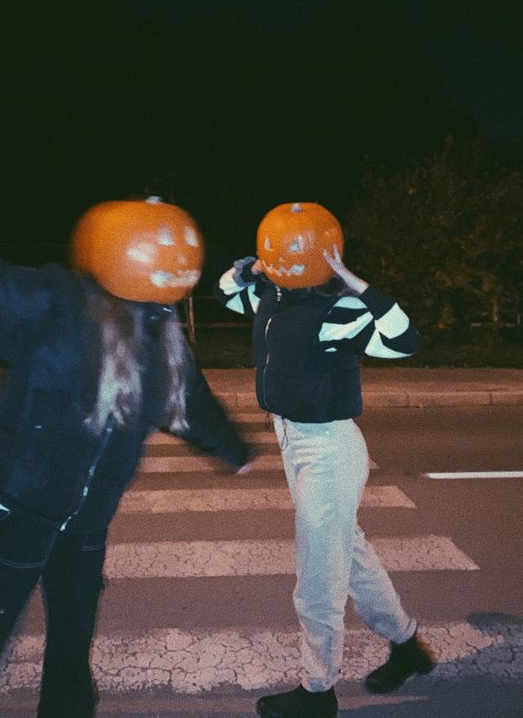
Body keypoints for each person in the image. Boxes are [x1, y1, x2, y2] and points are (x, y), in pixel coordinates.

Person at [0, 199, 252, 717]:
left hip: (87, 524)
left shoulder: (162, 328)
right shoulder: (58, 304)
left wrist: (235, 450)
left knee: (71, 660)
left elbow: (190, 403)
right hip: (25, 512)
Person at [217, 202, 434, 718]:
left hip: (330, 448)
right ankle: (406, 645)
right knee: (348, 551)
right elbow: (227, 292)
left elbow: (405, 341)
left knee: (318, 575)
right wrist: (254, 266)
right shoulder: (272, 296)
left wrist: (356, 284)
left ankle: (318, 692)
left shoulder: (339, 309)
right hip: (292, 439)